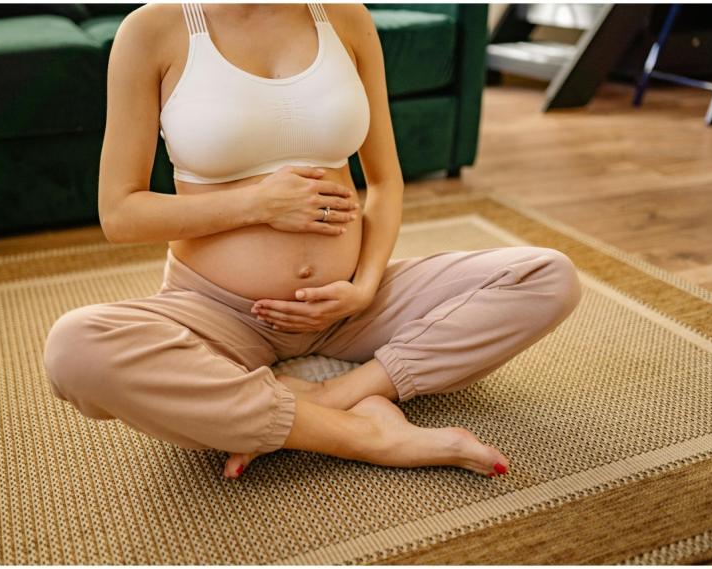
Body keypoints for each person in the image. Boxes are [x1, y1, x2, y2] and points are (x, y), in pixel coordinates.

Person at [43, 3, 582, 480]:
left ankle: (329, 394)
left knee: (547, 277)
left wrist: (366, 286)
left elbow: (386, 182)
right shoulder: (154, 28)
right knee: (76, 348)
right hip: (218, 312)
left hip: (350, 306)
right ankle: (365, 435)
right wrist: (257, 203)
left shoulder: (345, 17)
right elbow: (121, 214)